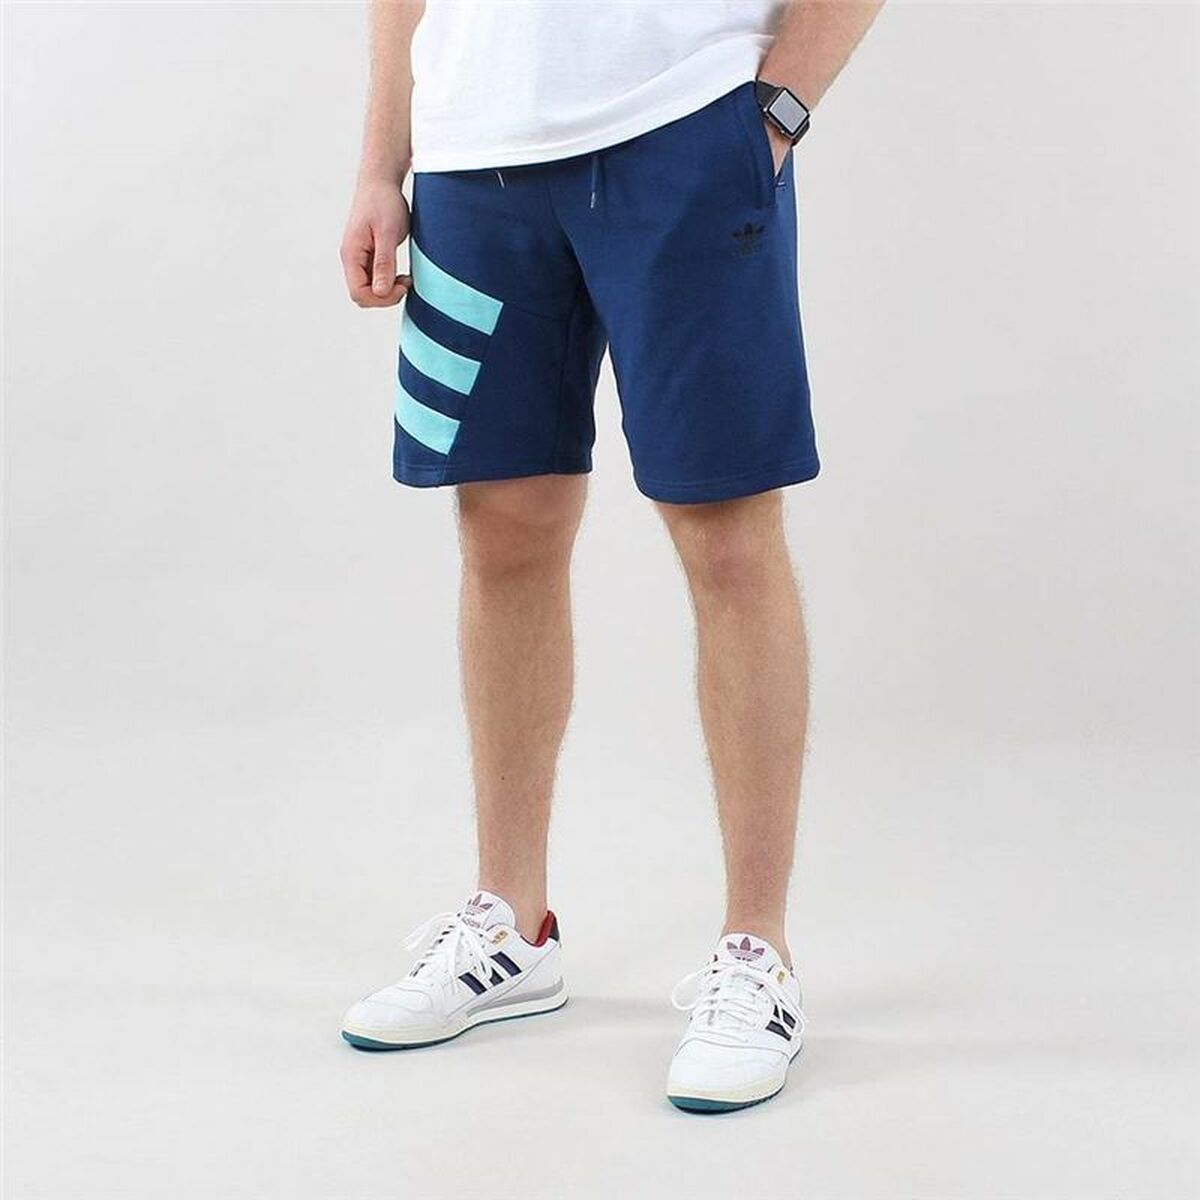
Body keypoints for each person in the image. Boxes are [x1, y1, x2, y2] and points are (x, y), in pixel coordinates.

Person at [338, 0, 883, 1113]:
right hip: (471, 160)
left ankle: (756, 951)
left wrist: (777, 110)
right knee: (501, 524)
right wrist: (381, 166)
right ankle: (511, 923)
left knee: (725, 532)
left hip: (687, 134)